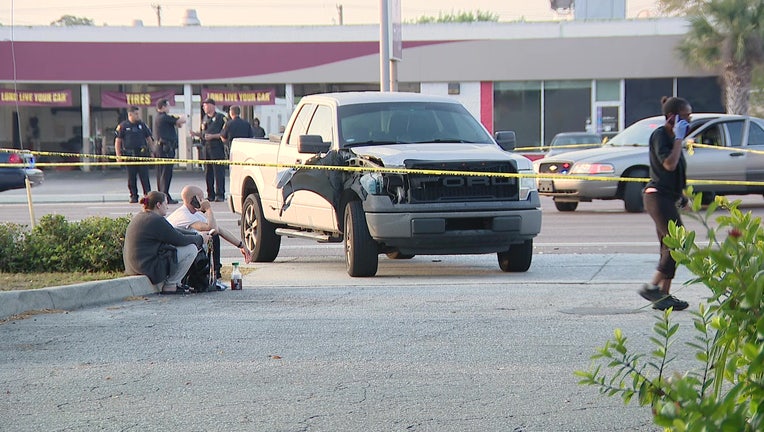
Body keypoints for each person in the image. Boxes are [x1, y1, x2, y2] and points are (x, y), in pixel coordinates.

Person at [638, 96, 692, 311]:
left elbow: (675, 173)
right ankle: (652, 287)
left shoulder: (673, 138)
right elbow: (669, 164)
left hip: (668, 197)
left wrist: (682, 196)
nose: (689, 120)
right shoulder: (661, 135)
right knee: (677, 242)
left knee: (669, 246)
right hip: (656, 197)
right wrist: (678, 140)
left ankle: (664, 295)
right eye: (686, 116)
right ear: (672, 117)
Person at [166, 185, 252, 289]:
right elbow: (211, 228)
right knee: (212, 237)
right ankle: (212, 277)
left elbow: (218, 229)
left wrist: (241, 245)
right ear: (194, 199)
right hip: (173, 254)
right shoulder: (184, 215)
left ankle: (214, 277)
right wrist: (208, 209)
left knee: (213, 236)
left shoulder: (193, 213)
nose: (204, 200)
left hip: (184, 249)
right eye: (201, 198)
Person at [123, 191, 207, 294]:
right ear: (158, 205)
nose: (167, 207)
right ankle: (171, 285)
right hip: (148, 268)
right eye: (166, 204)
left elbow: (173, 231)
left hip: (134, 267)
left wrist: (195, 235)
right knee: (191, 249)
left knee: (177, 248)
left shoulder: (143, 216)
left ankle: (176, 284)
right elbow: (179, 239)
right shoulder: (156, 220)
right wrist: (201, 239)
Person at [115, 106, 155, 203]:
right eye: (136, 114)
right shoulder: (123, 126)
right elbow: (118, 141)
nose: (138, 116)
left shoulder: (142, 125)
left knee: (144, 176)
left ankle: (147, 195)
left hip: (142, 154)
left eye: (138, 114)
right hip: (130, 155)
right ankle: (133, 196)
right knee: (131, 177)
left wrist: (153, 152)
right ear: (130, 114)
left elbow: (149, 139)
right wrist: (118, 155)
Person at [190, 98, 227, 202]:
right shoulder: (205, 118)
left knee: (218, 172)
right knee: (208, 172)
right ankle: (210, 194)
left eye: (205, 105)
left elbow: (224, 133)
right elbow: (203, 133)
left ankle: (220, 194)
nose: (204, 107)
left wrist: (213, 136)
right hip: (206, 148)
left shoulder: (221, 118)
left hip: (217, 147)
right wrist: (196, 134)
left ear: (212, 106)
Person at [153, 98, 186, 204]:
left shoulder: (164, 118)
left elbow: (178, 125)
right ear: (162, 107)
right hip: (165, 149)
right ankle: (164, 195)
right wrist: (184, 116)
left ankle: (164, 194)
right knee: (165, 173)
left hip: (165, 148)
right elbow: (181, 121)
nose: (169, 108)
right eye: (167, 106)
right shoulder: (163, 117)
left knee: (164, 173)